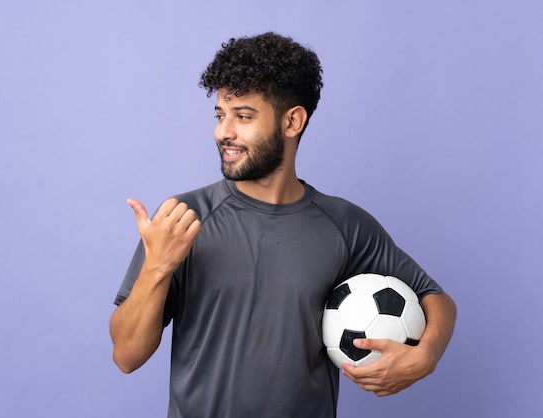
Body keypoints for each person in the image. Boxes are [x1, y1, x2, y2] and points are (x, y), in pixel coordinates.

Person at [110, 32, 457, 417]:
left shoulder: (343, 225)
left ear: (292, 121)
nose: (223, 131)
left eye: (243, 116)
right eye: (220, 115)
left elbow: (435, 298)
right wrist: (158, 267)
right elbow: (126, 356)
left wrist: (426, 356)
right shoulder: (183, 219)